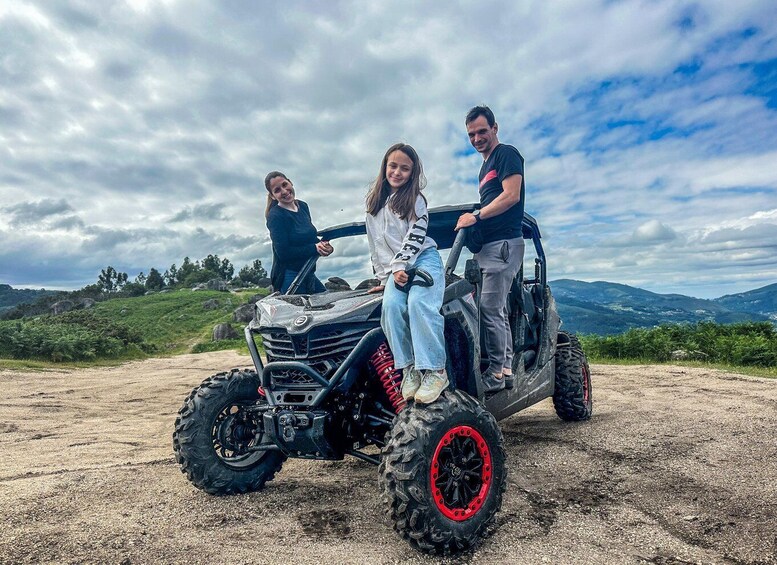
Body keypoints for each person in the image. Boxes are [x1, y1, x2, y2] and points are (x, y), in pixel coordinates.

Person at [365, 143, 448, 404]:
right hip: (394, 269)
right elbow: (375, 243)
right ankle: (410, 367)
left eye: (405, 168)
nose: (397, 172)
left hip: (423, 259)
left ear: (412, 173)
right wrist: (383, 277)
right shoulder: (374, 205)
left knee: (419, 303)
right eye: (393, 166)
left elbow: (416, 235)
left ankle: (436, 370)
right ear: (384, 166)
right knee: (390, 307)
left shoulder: (416, 200)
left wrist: (400, 264)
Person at [455, 106, 525, 393]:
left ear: (495, 128)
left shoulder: (506, 154)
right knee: (495, 309)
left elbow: (511, 196)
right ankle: (505, 369)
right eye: (471, 134)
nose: (477, 138)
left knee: (488, 308)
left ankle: (495, 373)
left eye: (482, 131)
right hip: (488, 245)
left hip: (503, 244)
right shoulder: (485, 167)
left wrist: (478, 216)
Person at [264, 171, 333, 294]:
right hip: (290, 277)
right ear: (273, 196)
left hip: (308, 271)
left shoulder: (303, 206)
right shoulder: (275, 216)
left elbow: (309, 239)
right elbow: (283, 253)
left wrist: (324, 246)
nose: (284, 191)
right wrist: (314, 248)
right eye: (277, 190)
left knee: (327, 302)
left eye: (285, 185)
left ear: (290, 182)